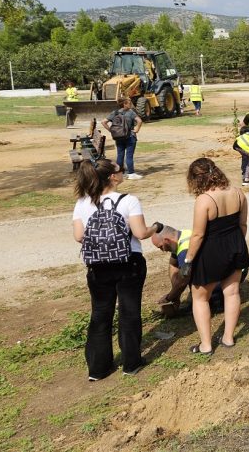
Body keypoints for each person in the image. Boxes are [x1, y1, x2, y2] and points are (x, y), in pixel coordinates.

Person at [72, 158, 158, 379]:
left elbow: (79, 236)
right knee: (129, 312)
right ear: (112, 176)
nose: (122, 172)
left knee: (100, 314)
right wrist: (155, 228)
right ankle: (131, 363)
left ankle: (98, 369)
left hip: (98, 266)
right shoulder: (129, 200)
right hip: (128, 262)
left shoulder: (83, 202)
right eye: (120, 169)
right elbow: (140, 234)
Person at [186, 158, 249, 354]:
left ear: (196, 179)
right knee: (232, 292)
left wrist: (188, 260)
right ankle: (228, 338)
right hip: (236, 245)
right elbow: (243, 225)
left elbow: (198, 235)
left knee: (200, 298)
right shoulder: (239, 192)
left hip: (211, 252)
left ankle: (206, 345)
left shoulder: (204, 200)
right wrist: (235, 245)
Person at [150, 225, 192, 317]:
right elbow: (173, 264)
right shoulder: (180, 236)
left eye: (161, 247)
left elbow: (183, 280)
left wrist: (170, 297)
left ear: (167, 241)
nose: (162, 250)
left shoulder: (185, 251)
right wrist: (175, 290)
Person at [102, 97, 143, 180]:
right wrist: (136, 130)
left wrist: (111, 131)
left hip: (119, 137)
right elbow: (139, 121)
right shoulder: (131, 112)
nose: (130, 104)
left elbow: (103, 122)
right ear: (124, 104)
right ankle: (131, 173)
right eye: (129, 103)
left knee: (120, 155)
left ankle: (120, 173)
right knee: (129, 156)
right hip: (130, 136)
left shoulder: (115, 112)